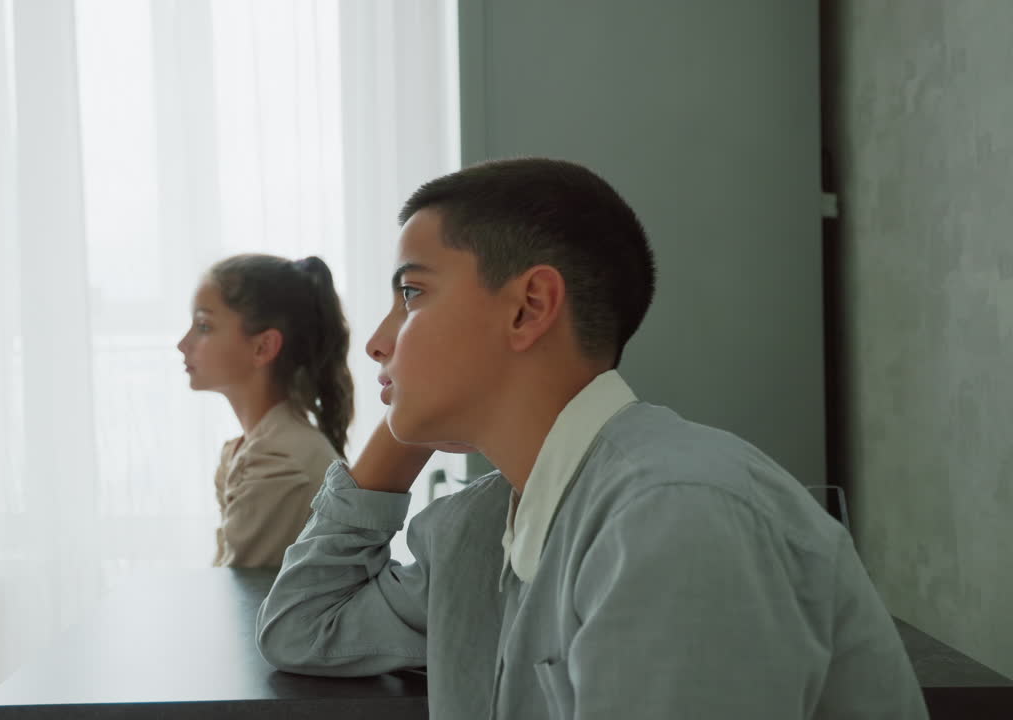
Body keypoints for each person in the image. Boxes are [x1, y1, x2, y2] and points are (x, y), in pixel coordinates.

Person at [255, 158, 927, 719]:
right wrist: (405, 425)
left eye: (412, 293)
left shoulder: (675, 514)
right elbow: (305, 627)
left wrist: (417, 399)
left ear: (530, 308)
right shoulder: (478, 526)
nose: (377, 341)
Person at [177, 253, 353, 568]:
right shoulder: (253, 451)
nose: (183, 343)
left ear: (263, 347)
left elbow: (241, 596)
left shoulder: (279, 462)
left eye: (203, 326)